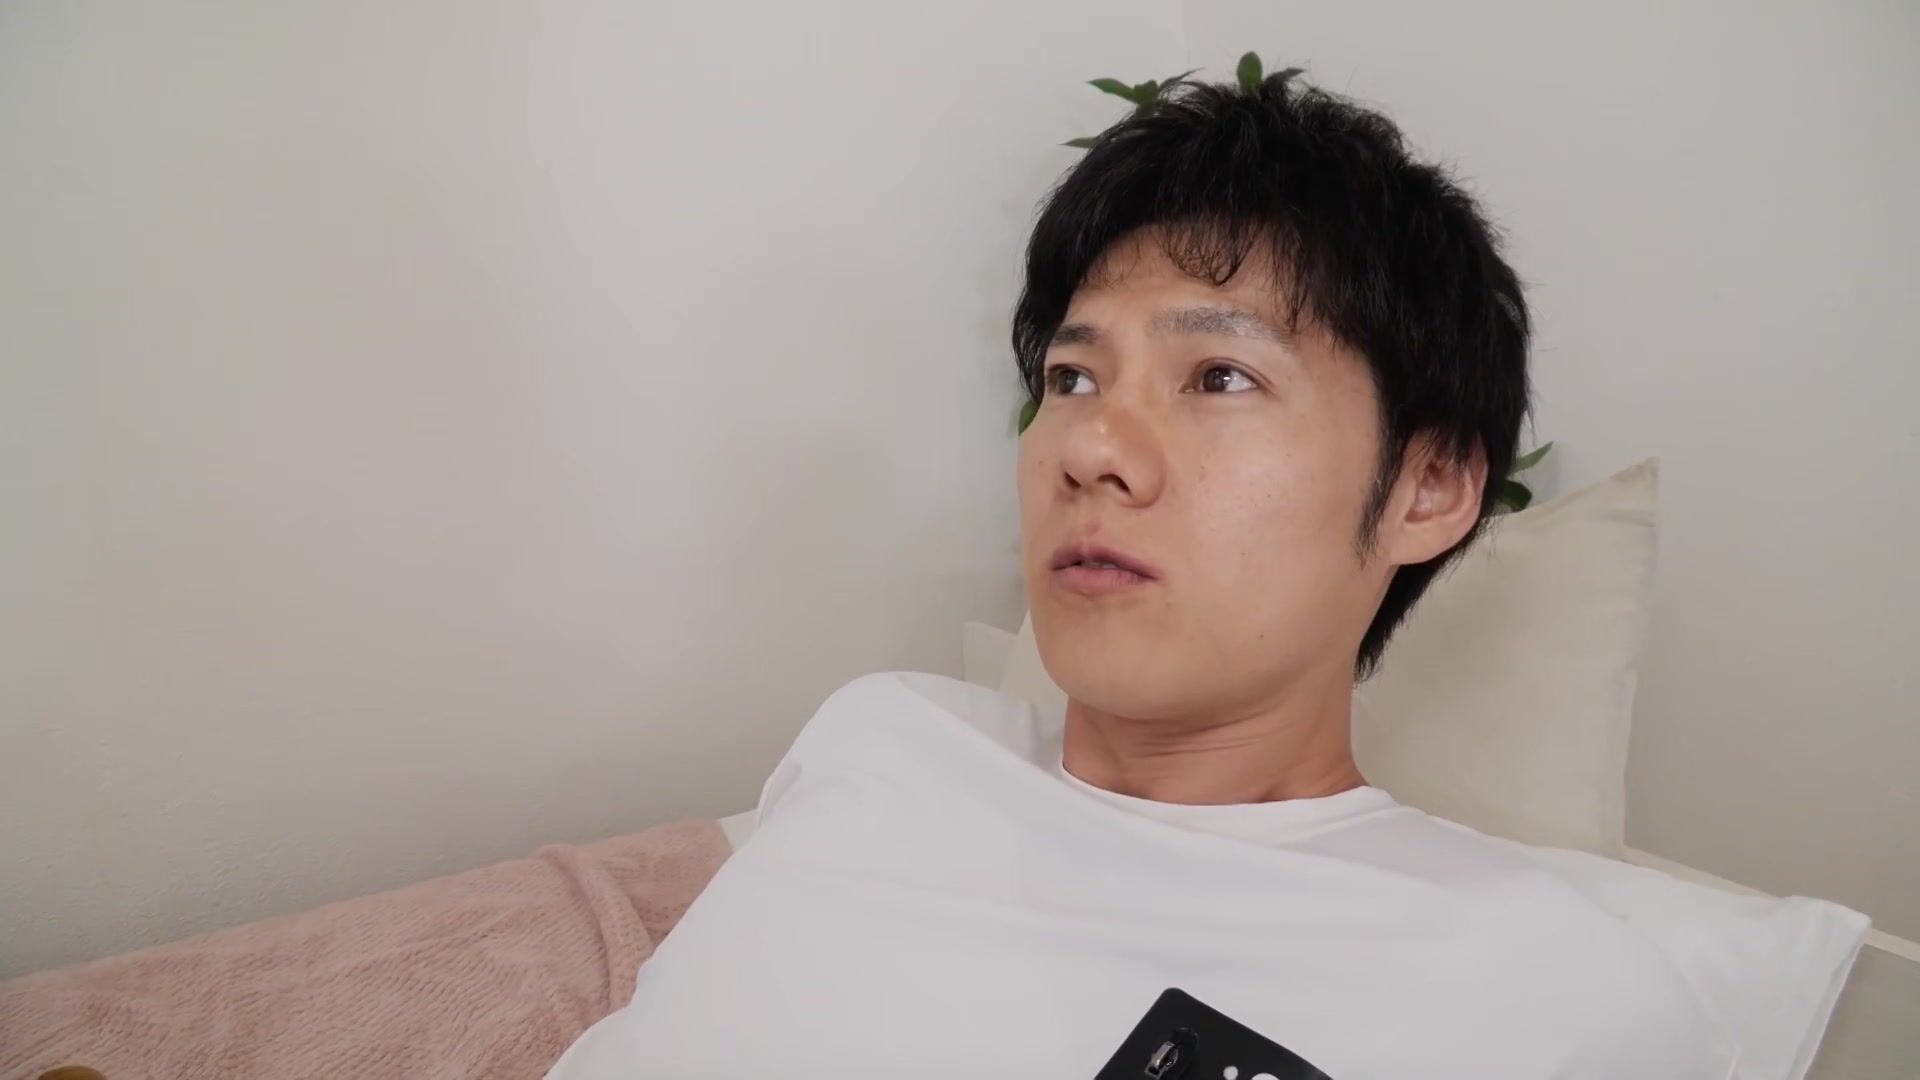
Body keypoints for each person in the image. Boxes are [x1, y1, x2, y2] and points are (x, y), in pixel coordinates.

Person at [544, 73, 1832, 1079]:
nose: (1093, 448)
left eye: (1220, 376)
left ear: (1430, 485)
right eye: (1072, 377)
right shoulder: (882, 741)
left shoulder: (1553, 994)